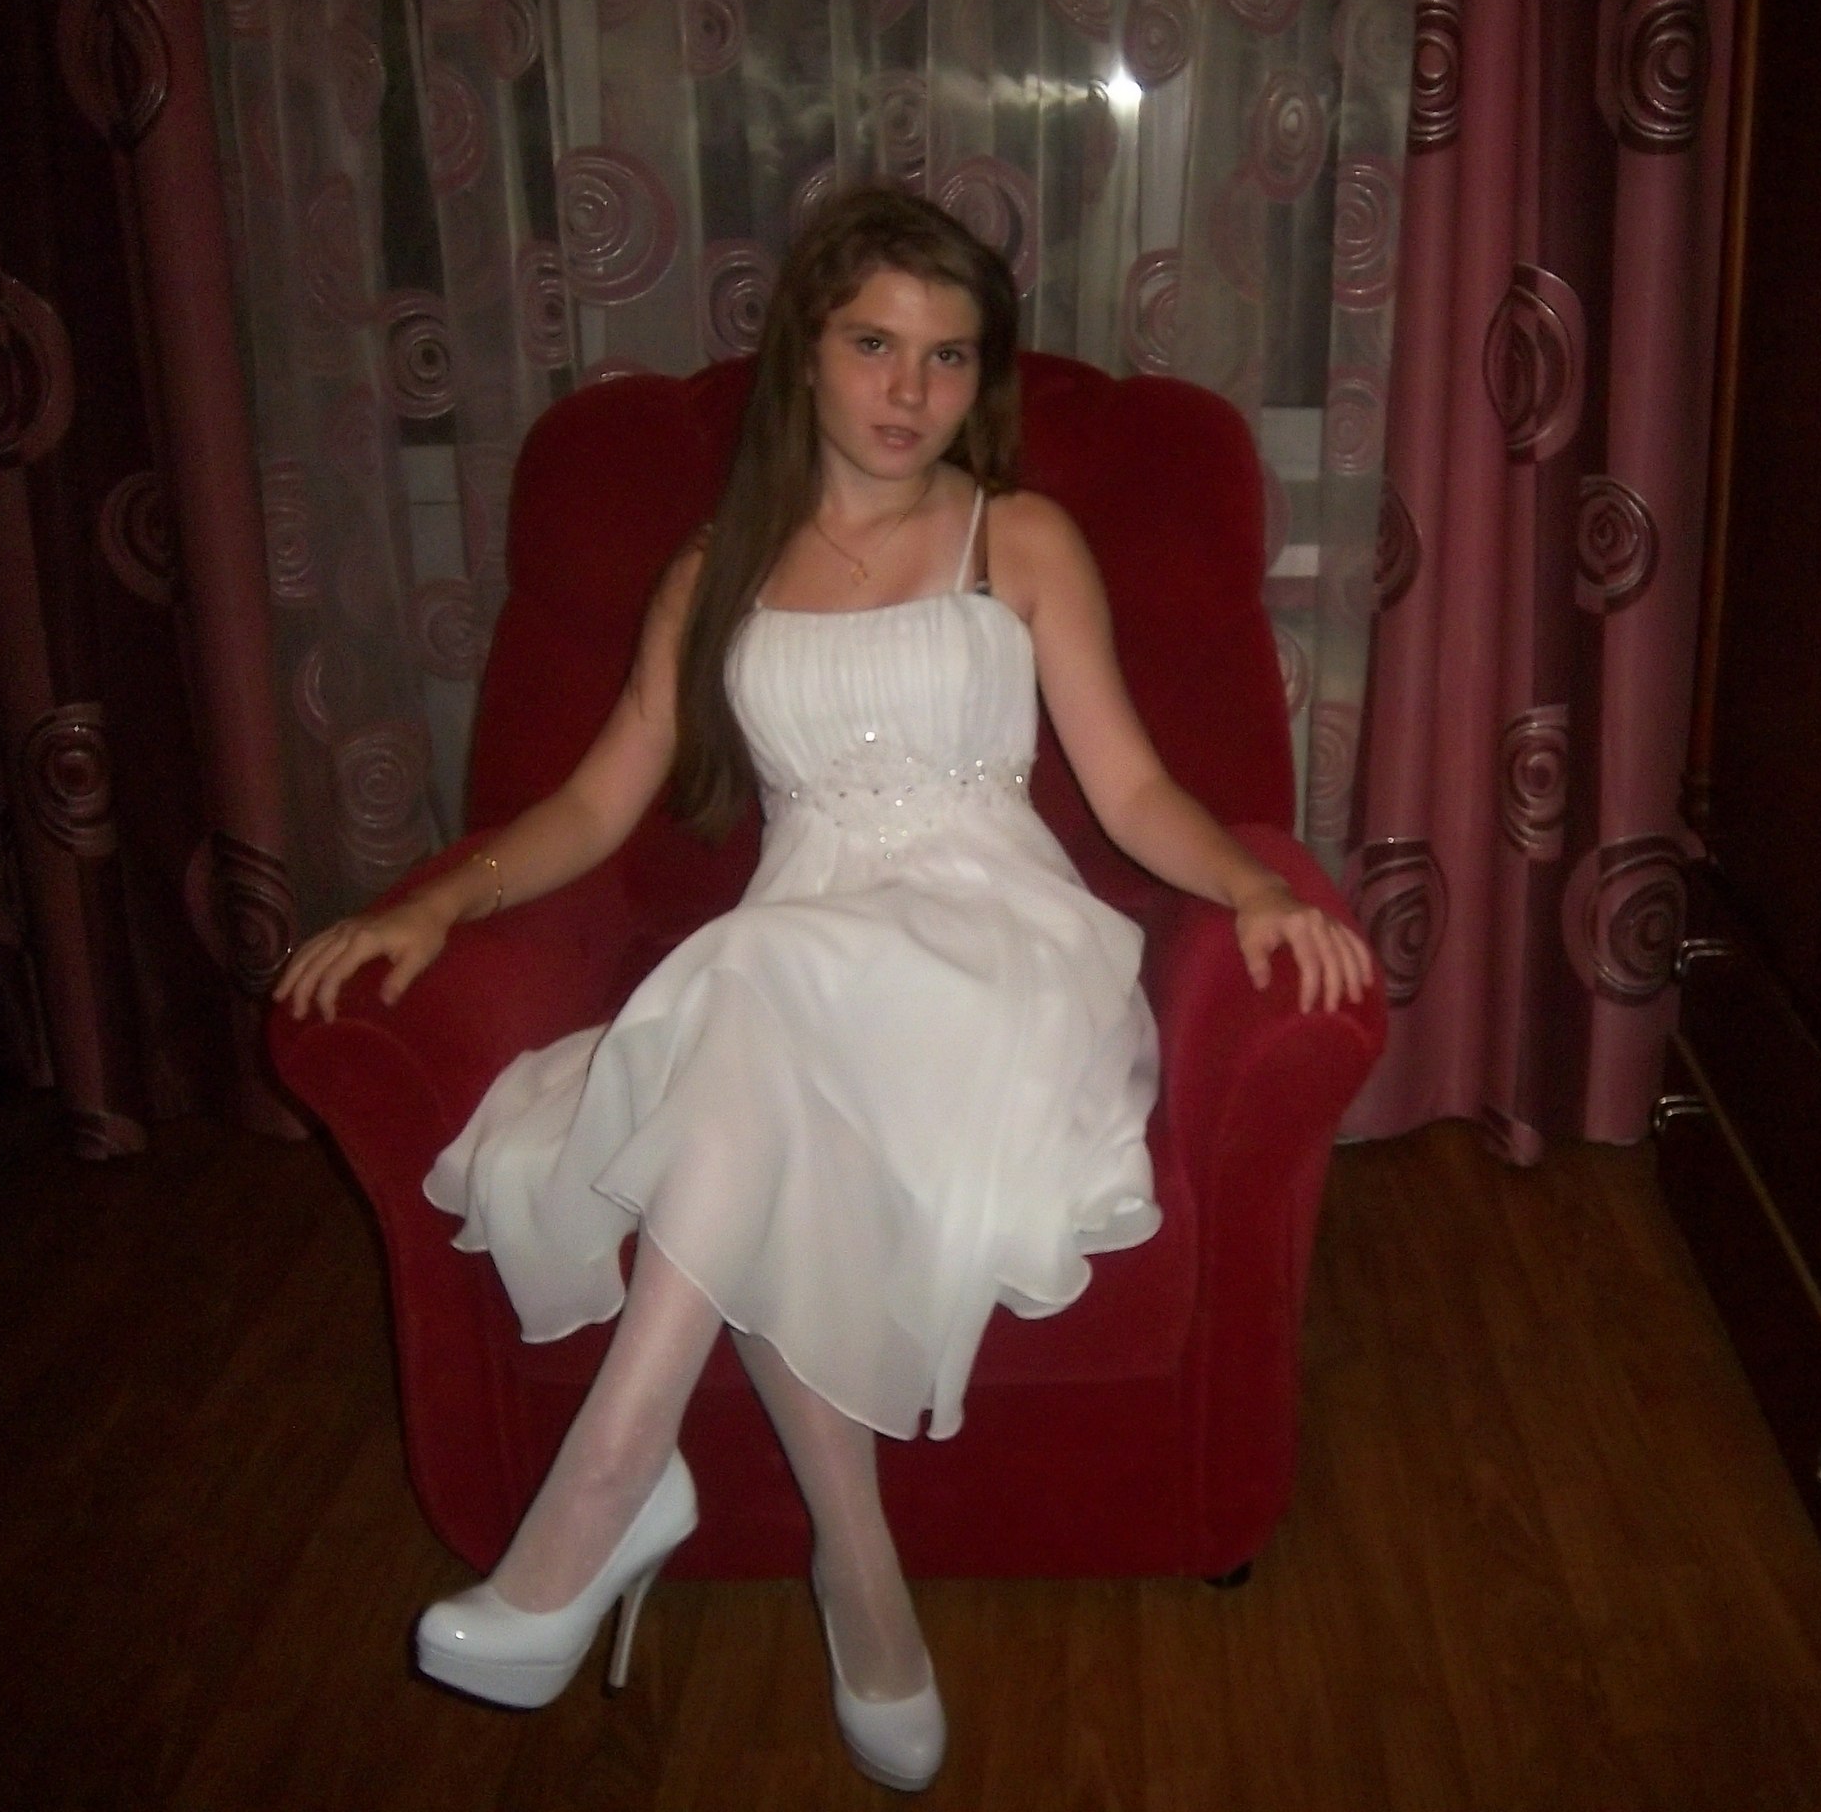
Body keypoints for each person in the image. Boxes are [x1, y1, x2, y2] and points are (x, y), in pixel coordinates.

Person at [274, 186, 1373, 1790]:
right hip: (796, 966)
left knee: (753, 996)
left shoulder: (1022, 539)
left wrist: (1255, 885)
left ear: (979, 377)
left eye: (947, 355)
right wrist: (438, 900)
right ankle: (860, 1579)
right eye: (873, 344)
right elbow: (592, 802)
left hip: (995, 952)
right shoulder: (713, 569)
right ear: (807, 353)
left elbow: (1133, 790)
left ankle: (601, 1494)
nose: (908, 389)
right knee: (766, 1065)